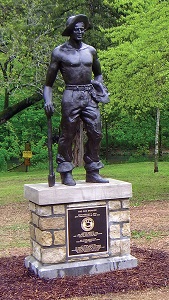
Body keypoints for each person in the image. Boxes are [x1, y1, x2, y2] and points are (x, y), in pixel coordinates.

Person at [44, 14, 109, 186]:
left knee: (96, 133)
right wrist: (47, 101)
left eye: (82, 29)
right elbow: (48, 84)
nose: (80, 32)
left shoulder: (91, 51)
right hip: (71, 94)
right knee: (67, 134)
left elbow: (99, 73)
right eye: (77, 29)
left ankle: (93, 170)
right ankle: (65, 170)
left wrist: (98, 86)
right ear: (70, 31)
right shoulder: (59, 52)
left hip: (89, 95)